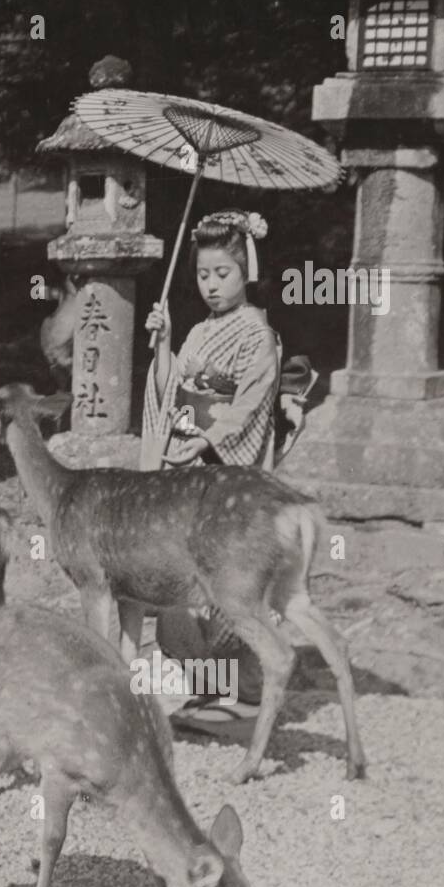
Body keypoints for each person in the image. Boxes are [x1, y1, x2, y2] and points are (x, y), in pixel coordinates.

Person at [141, 208, 280, 738]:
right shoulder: (198, 330)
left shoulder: (256, 335)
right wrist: (163, 341)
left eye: (223, 273)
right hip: (187, 471)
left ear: (246, 271)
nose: (212, 285)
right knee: (180, 584)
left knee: (228, 587)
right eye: (203, 274)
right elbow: (169, 388)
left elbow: (249, 407)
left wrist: (206, 438)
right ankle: (204, 686)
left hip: (224, 477)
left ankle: (244, 696)